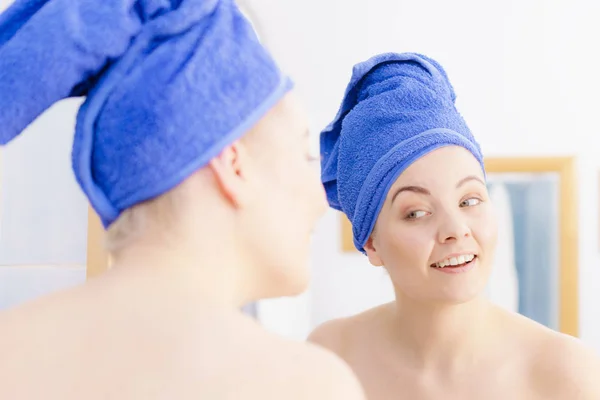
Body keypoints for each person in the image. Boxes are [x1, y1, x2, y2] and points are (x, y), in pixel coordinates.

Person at [0, 1, 366, 399]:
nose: (322, 200)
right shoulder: (306, 385)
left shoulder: (11, 353)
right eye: (306, 155)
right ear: (233, 164)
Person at [309, 52, 600, 399]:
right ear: (371, 243)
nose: (456, 229)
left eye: (469, 200)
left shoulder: (566, 375)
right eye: (416, 212)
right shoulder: (331, 358)